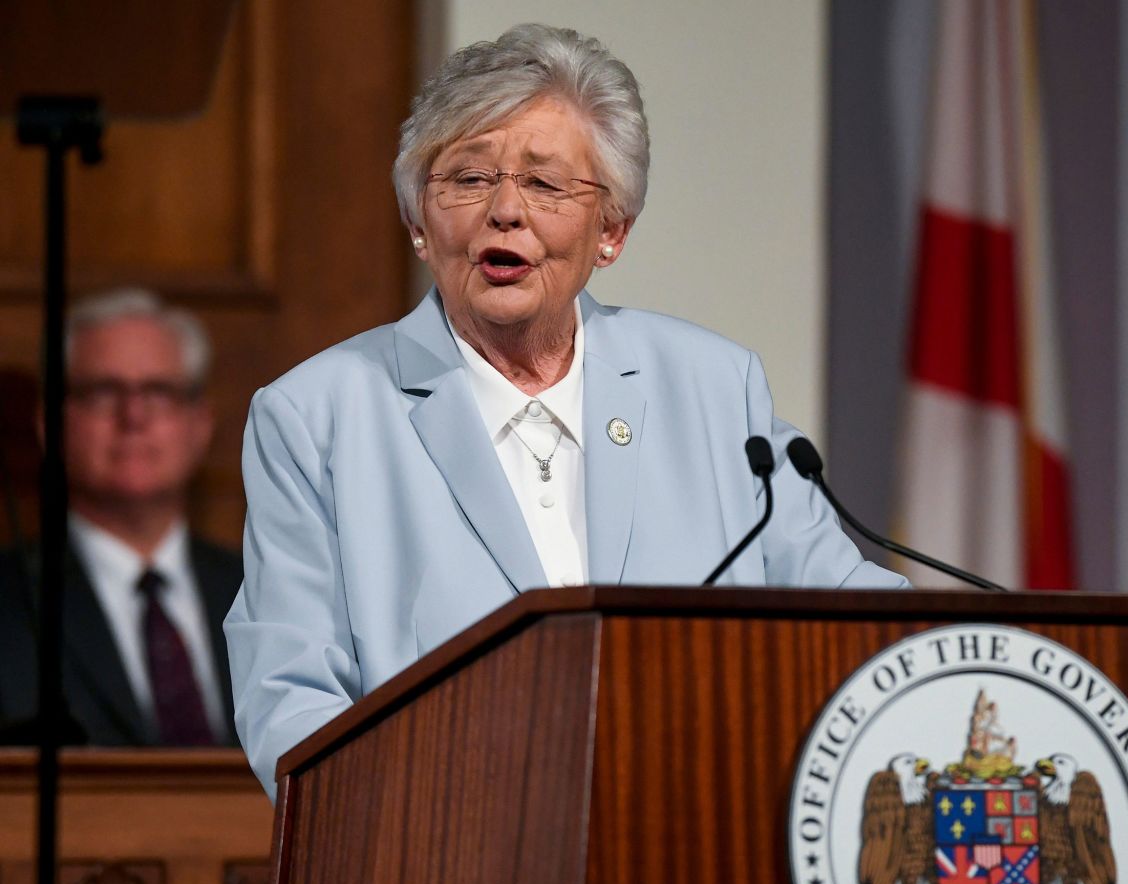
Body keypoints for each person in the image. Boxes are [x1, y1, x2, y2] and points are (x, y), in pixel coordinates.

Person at [225, 24, 907, 797]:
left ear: (611, 231)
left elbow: (852, 616)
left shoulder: (714, 387)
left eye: (546, 186)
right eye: (468, 180)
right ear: (419, 222)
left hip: (695, 835)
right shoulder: (317, 417)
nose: (505, 212)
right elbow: (289, 697)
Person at [0, 289, 240, 746]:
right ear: (50, 423)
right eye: (103, 391)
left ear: (200, 424)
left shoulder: (266, 588)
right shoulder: (10, 600)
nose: (133, 416)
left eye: (160, 391)